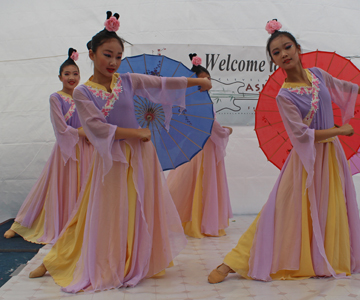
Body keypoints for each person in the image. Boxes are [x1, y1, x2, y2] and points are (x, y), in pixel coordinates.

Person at [28, 12, 212, 292]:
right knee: (101, 212)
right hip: (111, 158)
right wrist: (135, 133)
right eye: (107, 55)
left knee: (138, 209)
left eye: (118, 56)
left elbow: (161, 83)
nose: (113, 62)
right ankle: (61, 259)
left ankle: (132, 258)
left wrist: (196, 82)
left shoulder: (126, 80)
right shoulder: (82, 92)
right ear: (91, 54)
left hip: (141, 156)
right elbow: (97, 129)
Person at [208, 20, 360, 283]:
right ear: (274, 60)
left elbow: (340, 85)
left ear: (298, 49)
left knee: (329, 207)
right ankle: (234, 262)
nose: (284, 54)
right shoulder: (284, 97)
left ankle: (323, 256)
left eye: (287, 47)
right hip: (306, 160)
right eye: (276, 52)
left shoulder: (317, 74)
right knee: (280, 206)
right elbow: (301, 134)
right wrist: (339, 131)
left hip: (331, 157)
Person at [4, 49, 93, 244]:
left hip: (86, 150)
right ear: (59, 76)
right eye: (67, 74)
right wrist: (81, 132)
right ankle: (20, 224)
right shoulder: (56, 97)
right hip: (66, 150)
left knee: (84, 188)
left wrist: (90, 132)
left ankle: (79, 226)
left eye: (75, 73)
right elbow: (60, 127)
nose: (71, 77)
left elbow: (91, 120)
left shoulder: (84, 96)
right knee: (53, 188)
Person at [166, 54, 233, 238]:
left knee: (194, 181)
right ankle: (199, 220)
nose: (207, 82)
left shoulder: (190, 99)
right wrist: (226, 132)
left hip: (197, 144)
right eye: (202, 79)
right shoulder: (198, 100)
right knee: (201, 181)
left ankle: (196, 217)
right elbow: (211, 124)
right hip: (204, 146)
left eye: (208, 79)